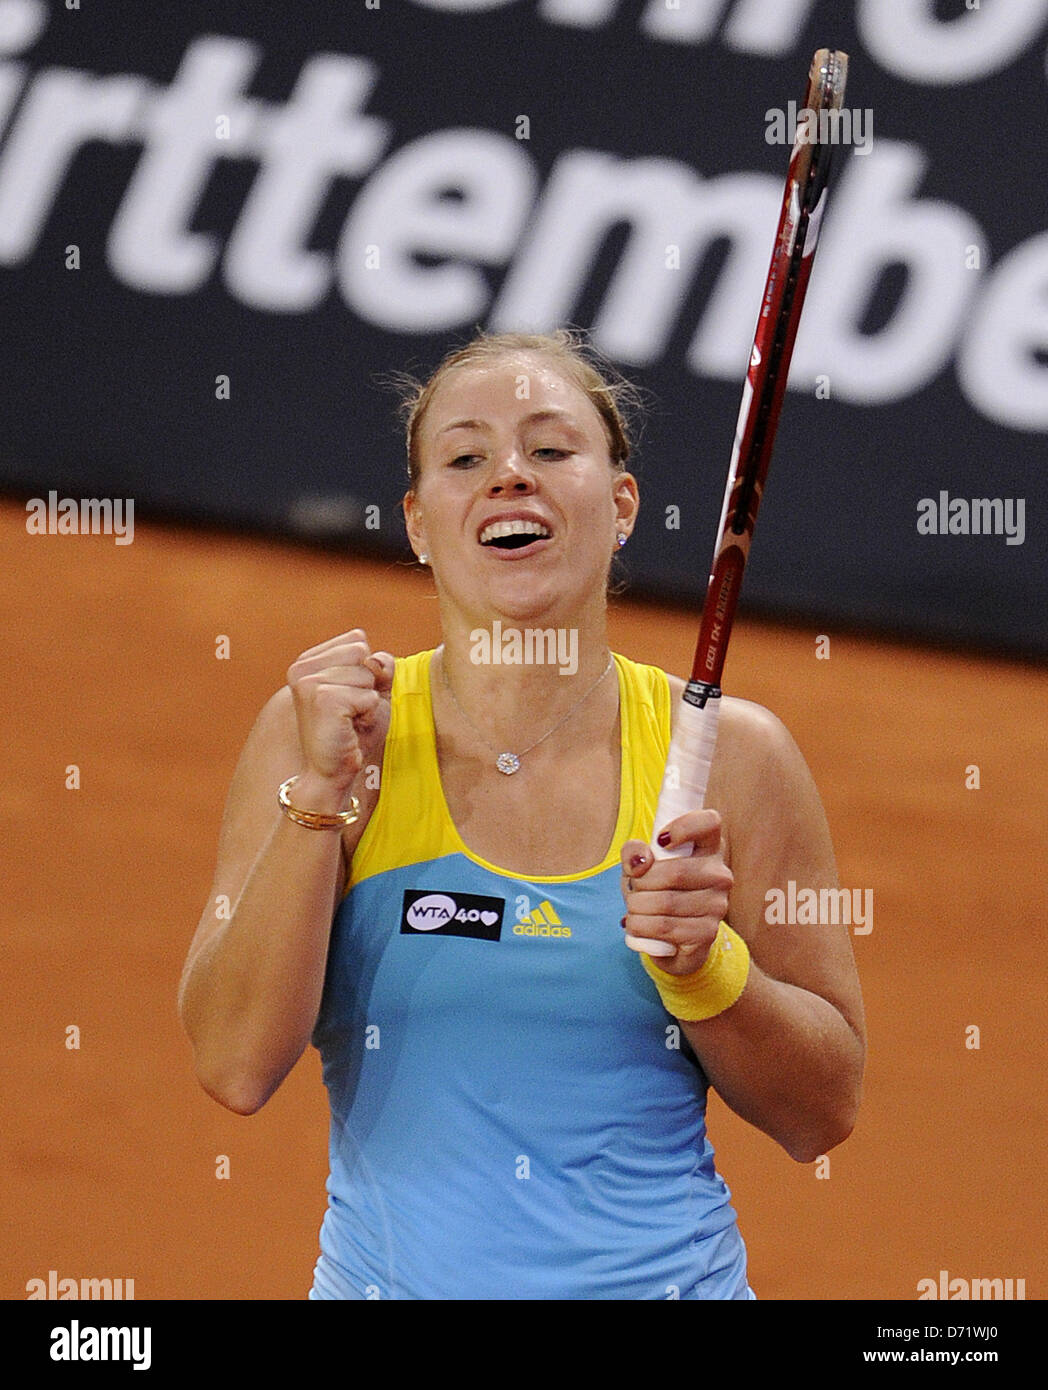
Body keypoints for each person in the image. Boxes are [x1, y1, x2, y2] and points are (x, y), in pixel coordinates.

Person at [177, 329, 865, 1300]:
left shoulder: (735, 757)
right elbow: (234, 1065)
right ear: (419, 523)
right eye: (465, 457)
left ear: (619, 504)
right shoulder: (324, 738)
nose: (508, 475)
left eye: (549, 449)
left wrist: (705, 969)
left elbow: (822, 1110)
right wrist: (320, 804)